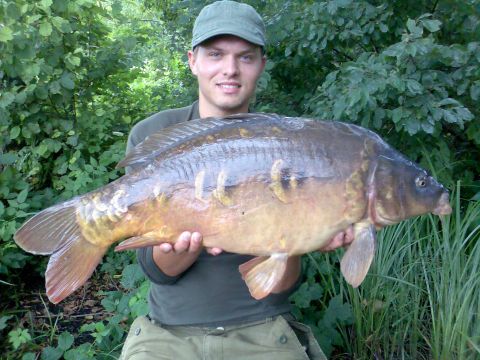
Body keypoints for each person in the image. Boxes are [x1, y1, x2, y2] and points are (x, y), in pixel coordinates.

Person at [120, 1, 353, 359]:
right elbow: (158, 272)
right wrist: (187, 245)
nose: (230, 69)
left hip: (263, 330)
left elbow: (282, 288)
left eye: (245, 57)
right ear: (192, 60)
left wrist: (301, 236)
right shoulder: (154, 134)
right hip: (168, 335)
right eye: (216, 54)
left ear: (261, 64)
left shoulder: (289, 143)